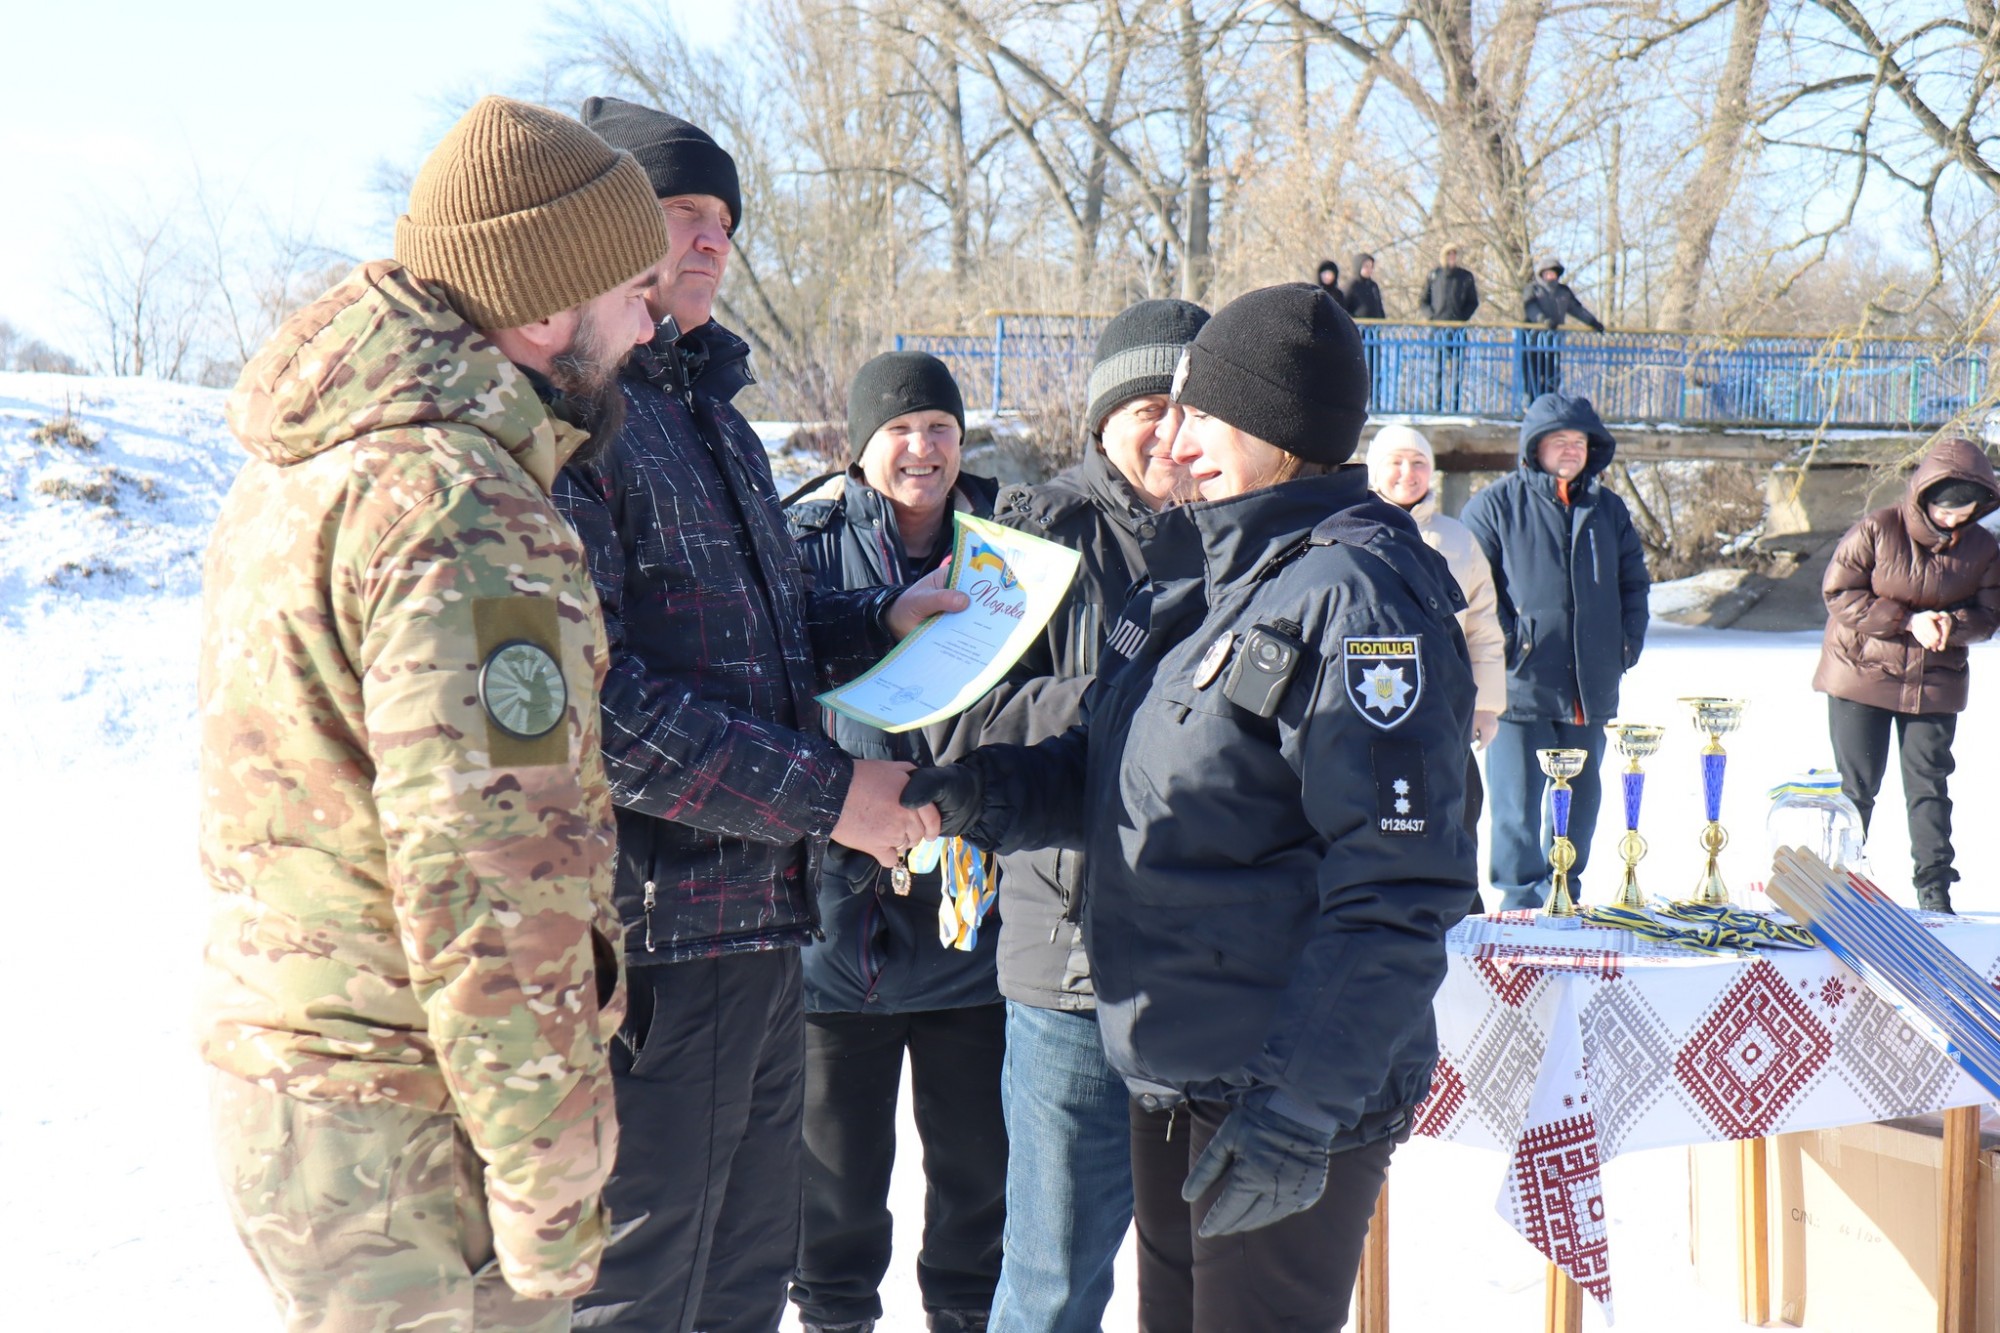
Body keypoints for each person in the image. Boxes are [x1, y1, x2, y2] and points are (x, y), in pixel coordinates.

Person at [904, 284, 1479, 1333]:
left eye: (1206, 415)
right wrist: (980, 794)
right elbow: (1107, 764)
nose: (1176, 440)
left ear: (1284, 428)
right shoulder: (1202, 577)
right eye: (1172, 413)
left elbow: (1400, 888)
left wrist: (1296, 1114)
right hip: (1176, 1066)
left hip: (1278, 1083)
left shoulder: (1355, 596)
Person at [199, 96, 670, 1330]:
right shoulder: (459, 510)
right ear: (540, 308)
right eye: (632, 287)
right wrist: (553, 1196)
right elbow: (492, 887)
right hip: (418, 1137)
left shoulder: (310, 464)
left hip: (310, 1099)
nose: (652, 317)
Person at [554, 97, 964, 1333]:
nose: (709, 240)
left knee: (742, 1280)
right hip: (653, 943)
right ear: (607, 225)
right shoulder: (586, 420)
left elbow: (751, 642)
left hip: (766, 926)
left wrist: (872, 624)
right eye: (682, 213)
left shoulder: (716, 419)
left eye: (723, 219)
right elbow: (603, 709)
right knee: (641, 1288)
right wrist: (837, 797)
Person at [935, 298, 1209, 1333]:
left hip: (1215, 967)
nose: (1167, 427)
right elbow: (957, 725)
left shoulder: (1246, 539)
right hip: (1071, 969)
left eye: (1188, 404)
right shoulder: (1029, 534)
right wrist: (1117, 702)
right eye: (1145, 402)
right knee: (1051, 1281)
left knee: (1198, 1282)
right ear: (1101, 419)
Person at [782, 352, 1007, 1333]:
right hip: (841, 904)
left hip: (976, 903)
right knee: (832, 1167)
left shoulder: (1013, 545)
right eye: (900, 429)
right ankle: (834, 1314)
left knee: (977, 1161)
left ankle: (965, 1312)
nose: (922, 447)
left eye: (940, 428)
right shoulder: (803, 544)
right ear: (859, 446)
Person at [1461, 393, 1651, 911]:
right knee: (1516, 807)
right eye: (1559, 441)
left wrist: (1623, 645)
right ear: (1535, 447)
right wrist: (1510, 643)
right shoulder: (1494, 506)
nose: (1571, 451)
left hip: (1588, 687)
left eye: (1580, 442)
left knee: (1582, 802)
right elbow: (1474, 591)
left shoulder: (1608, 510)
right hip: (1520, 684)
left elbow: (1634, 583)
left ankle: (1566, 893)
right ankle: (1521, 900)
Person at [1812, 437, 2000, 913]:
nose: (1954, 520)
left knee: (1929, 786)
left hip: (1934, 682)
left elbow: (1990, 613)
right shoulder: (1877, 528)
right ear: (1925, 496)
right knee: (1857, 788)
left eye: (1966, 511)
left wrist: (1950, 625)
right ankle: (1838, 889)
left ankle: (1935, 893)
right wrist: (1905, 620)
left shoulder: (1984, 547)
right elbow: (1838, 592)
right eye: (1946, 510)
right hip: (1861, 673)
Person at [1367, 423, 1505, 909]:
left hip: (1445, 709)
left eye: (1419, 463)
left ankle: (1459, 907)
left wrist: (1486, 706)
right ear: (1374, 469)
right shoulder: (1354, 527)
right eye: (1396, 462)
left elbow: (1483, 627)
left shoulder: (1456, 538)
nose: (1408, 473)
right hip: (1376, 704)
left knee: (1459, 809)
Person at [1521, 257, 1605, 400]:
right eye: (1547, 274)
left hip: (1553, 341)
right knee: (1532, 375)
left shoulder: (1563, 292)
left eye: (1553, 274)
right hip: (1532, 340)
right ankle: (1531, 403)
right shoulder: (1533, 289)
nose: (1550, 277)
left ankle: (1549, 402)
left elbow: (1577, 309)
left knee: (1552, 375)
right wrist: (1543, 320)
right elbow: (1530, 308)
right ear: (1541, 274)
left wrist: (1593, 322)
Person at [1418, 244, 1480, 411]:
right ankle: (1437, 405)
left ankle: (1456, 404)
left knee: (1457, 370)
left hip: (1457, 330)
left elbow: (1472, 302)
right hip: (1438, 329)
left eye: (1454, 255)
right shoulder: (1434, 275)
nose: (1452, 258)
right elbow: (1423, 300)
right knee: (1438, 369)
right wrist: (1432, 317)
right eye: (1449, 255)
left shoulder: (1465, 277)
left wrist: (1461, 319)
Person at [1343, 253, 1386, 320]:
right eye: (1366, 266)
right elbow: (1343, 307)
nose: (1369, 270)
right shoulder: (1351, 285)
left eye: (1371, 267)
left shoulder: (1373, 286)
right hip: (1358, 326)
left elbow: (1380, 307)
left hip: (1376, 326)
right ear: (1359, 266)